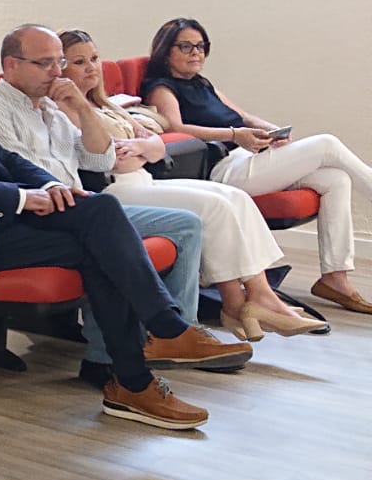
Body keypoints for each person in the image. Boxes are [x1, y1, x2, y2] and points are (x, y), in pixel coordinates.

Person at [0, 29, 246, 428]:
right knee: (101, 212)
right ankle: (164, 331)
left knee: (98, 226)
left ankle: (132, 382)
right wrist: (21, 198)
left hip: (0, 224)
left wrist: (48, 184)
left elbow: (4, 157)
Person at [0, 27, 268, 378]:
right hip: (45, 211)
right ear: (11, 65)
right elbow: (23, 171)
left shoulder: (50, 107)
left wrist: (82, 107)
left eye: (59, 62)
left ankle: (176, 335)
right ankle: (112, 353)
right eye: (44, 63)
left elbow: (98, 158)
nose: (56, 72)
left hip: (84, 207)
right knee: (106, 234)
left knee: (187, 225)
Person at [59, 29, 320, 341]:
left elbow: (156, 147)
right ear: (60, 69)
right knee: (215, 207)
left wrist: (142, 149)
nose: (91, 67)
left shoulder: (108, 104)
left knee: (235, 197)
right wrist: (142, 149)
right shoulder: (66, 109)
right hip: (116, 191)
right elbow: (108, 159)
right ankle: (248, 304)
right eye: (79, 62)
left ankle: (250, 300)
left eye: (94, 58)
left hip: (143, 179)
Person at [142, 16, 372, 316]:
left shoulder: (202, 84)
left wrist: (275, 132)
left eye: (200, 46)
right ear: (165, 51)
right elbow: (176, 127)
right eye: (185, 46)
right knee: (327, 143)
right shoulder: (161, 87)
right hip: (223, 170)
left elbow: (243, 116)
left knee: (336, 179)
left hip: (248, 158)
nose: (195, 53)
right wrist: (236, 136)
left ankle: (335, 278)